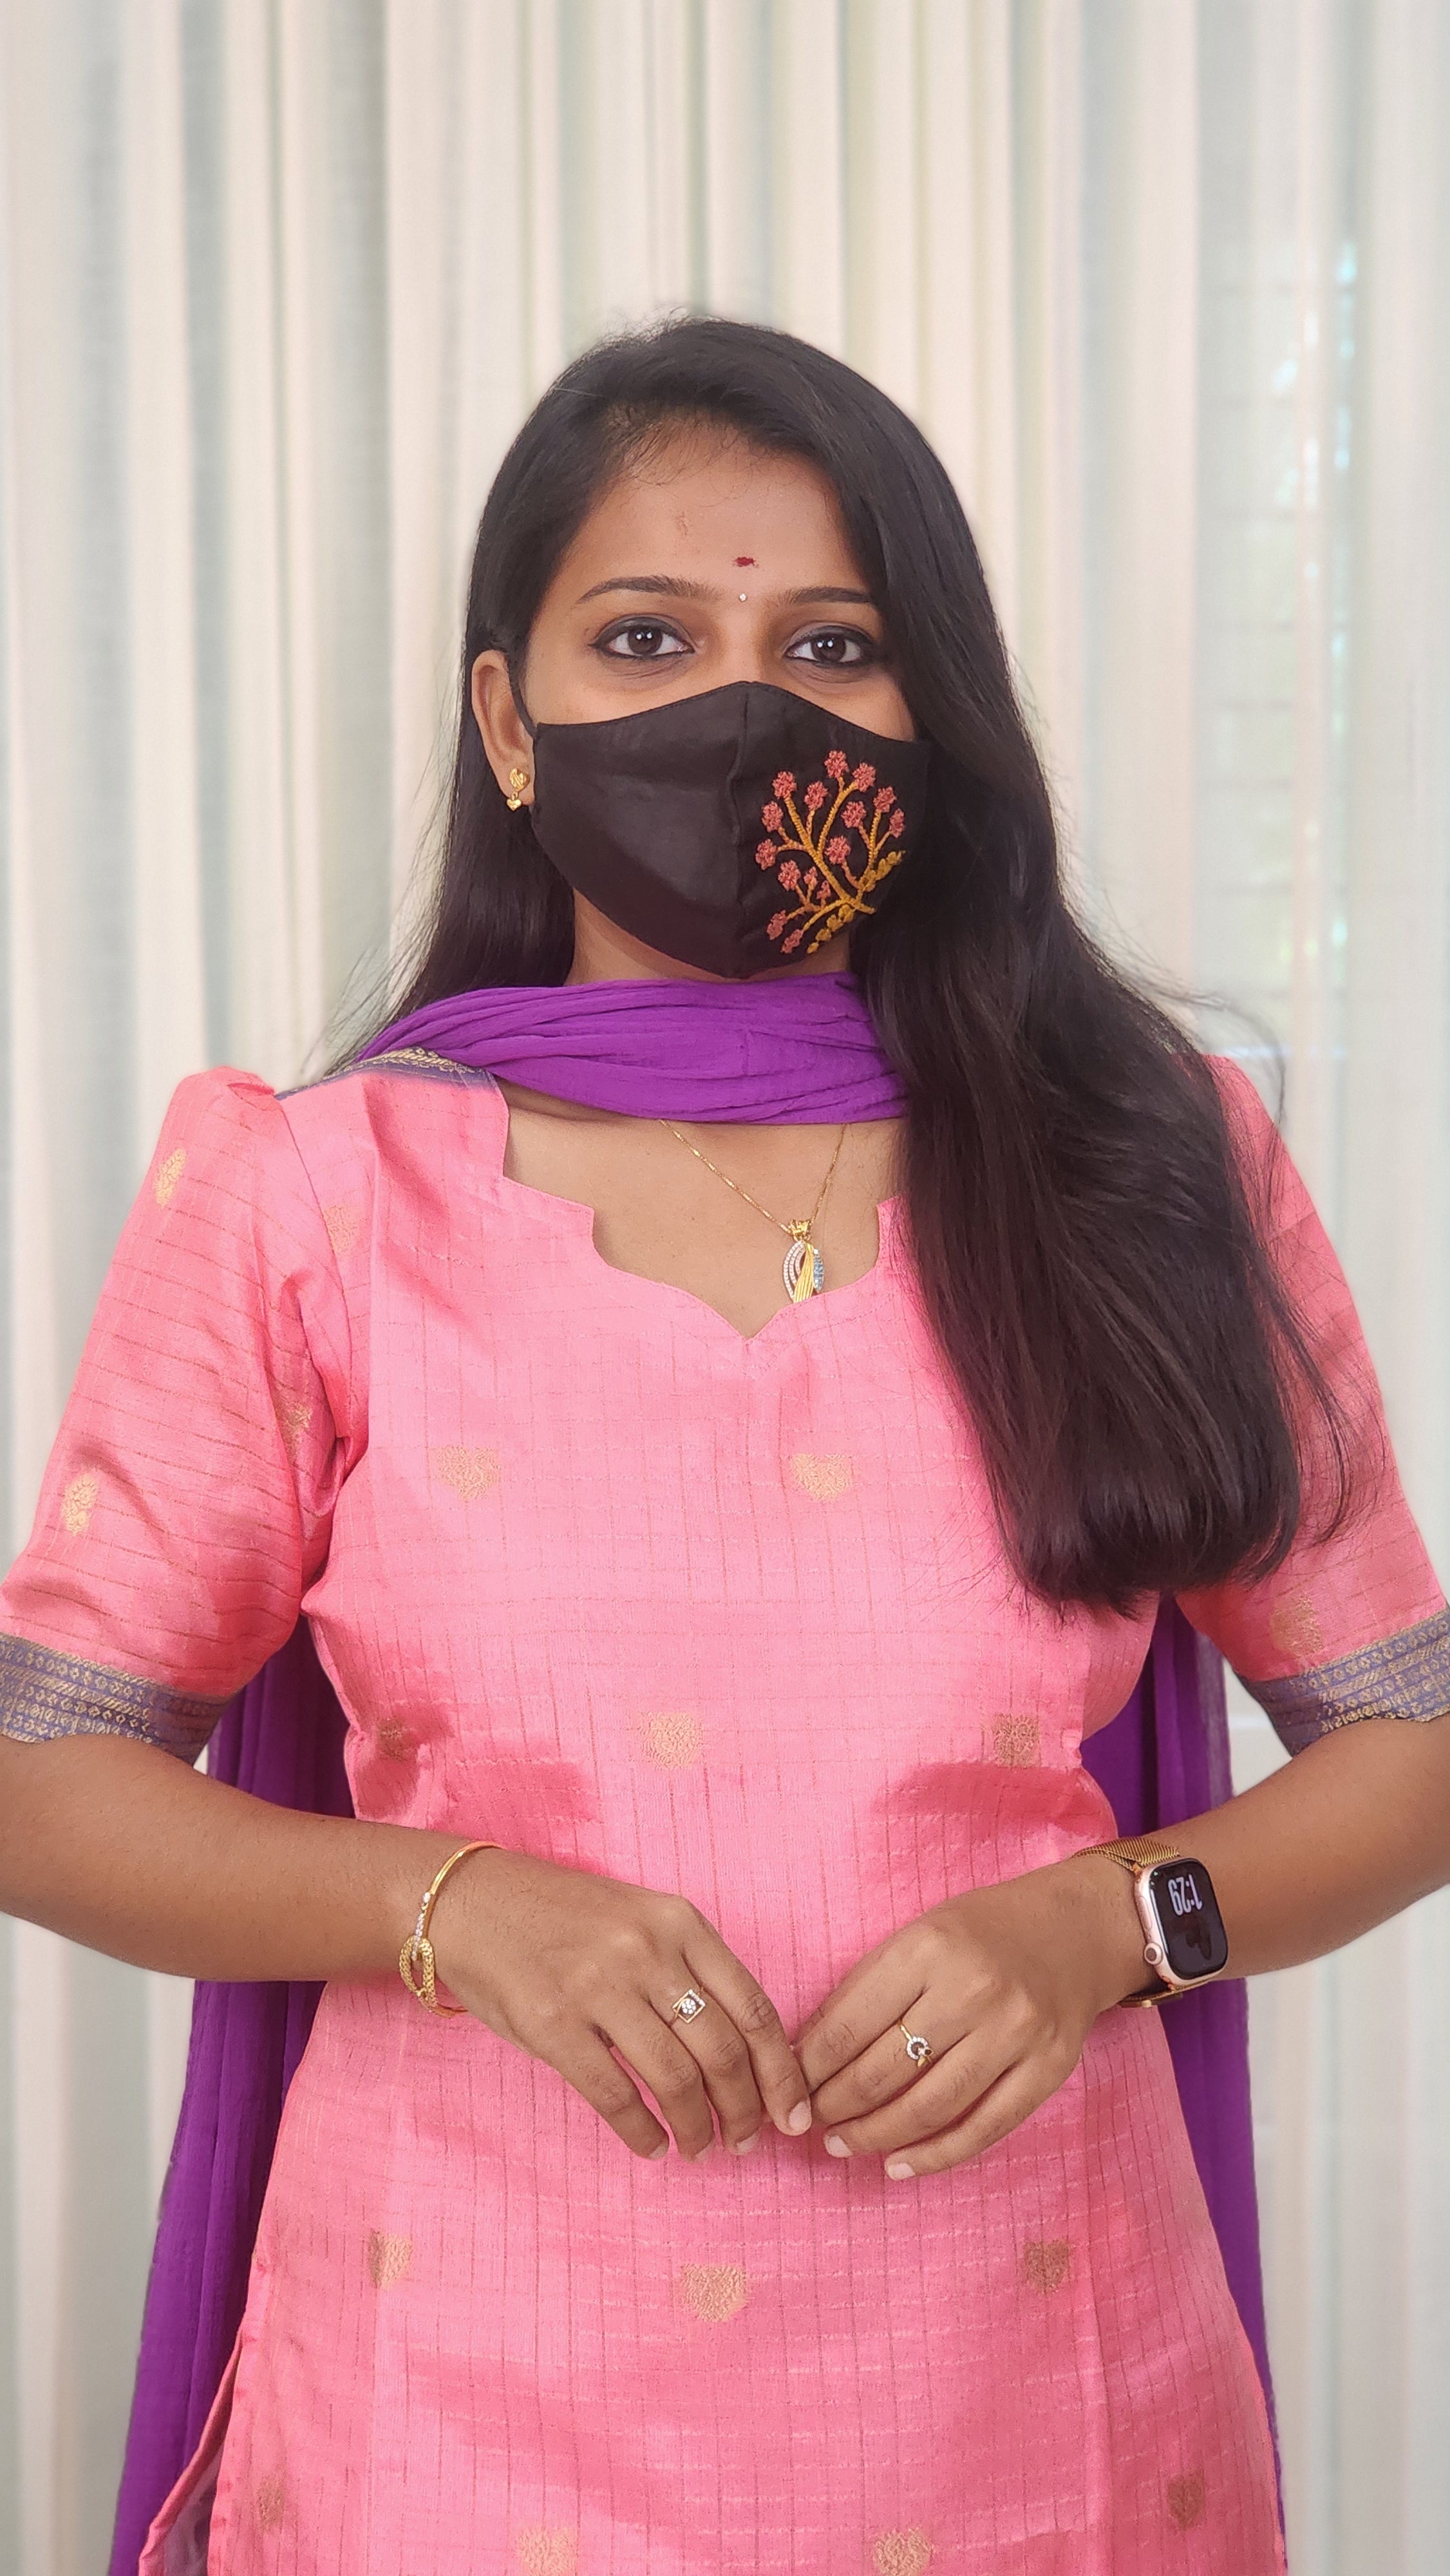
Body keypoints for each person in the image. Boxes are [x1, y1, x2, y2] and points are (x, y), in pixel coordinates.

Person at [2, 317, 1447, 2576]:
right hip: (454, 2414)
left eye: (831, 647)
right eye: (649, 639)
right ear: (510, 722)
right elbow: (46, 1779)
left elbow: (1406, 1742)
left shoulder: (1132, 1162)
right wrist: (448, 1907)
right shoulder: (310, 1197)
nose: (742, 709)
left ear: (926, 720)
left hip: (1043, 2413)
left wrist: (1107, 1924)